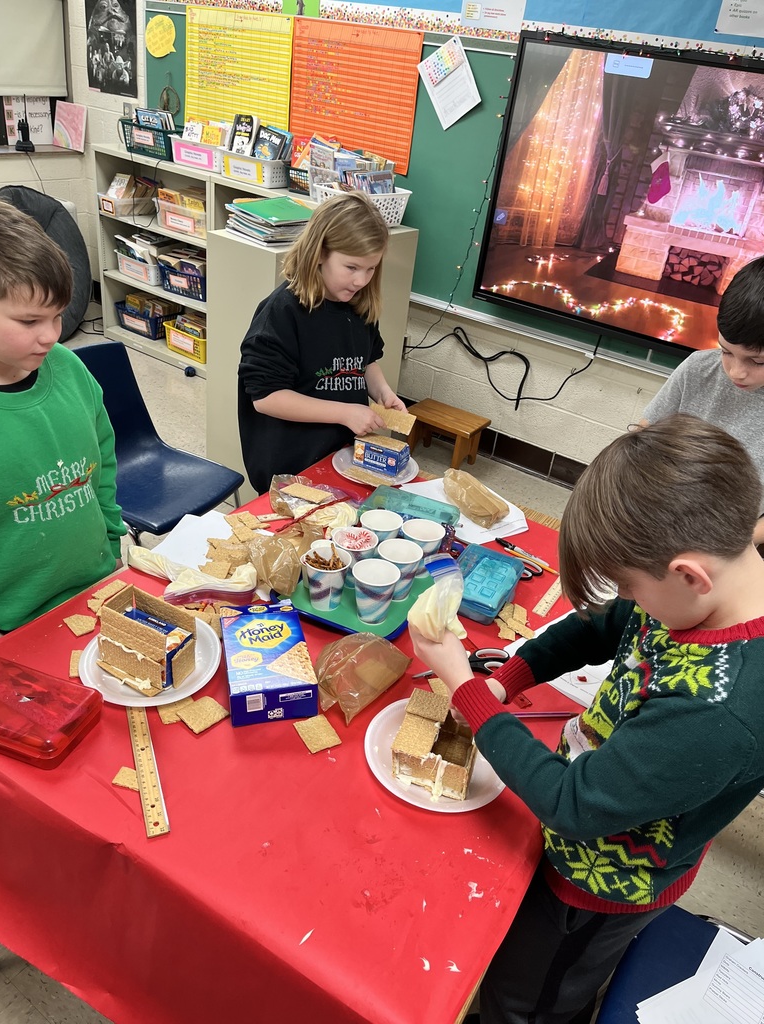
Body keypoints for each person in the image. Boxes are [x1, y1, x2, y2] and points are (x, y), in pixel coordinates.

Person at [409, 414, 764, 1024]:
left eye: (631, 583)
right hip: (599, 802)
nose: (629, 600)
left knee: (535, 996)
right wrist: (508, 678)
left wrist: (466, 688)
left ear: (687, 575)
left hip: (602, 884)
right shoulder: (701, 592)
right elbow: (608, 622)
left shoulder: (722, 711)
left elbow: (575, 802)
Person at [0, 200, 127, 632]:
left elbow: (102, 461)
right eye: (30, 320)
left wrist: (111, 536)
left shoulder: (69, 369)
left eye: (57, 315)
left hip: (99, 586)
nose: (52, 335)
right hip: (16, 626)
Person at [237, 191, 406, 495]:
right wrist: (346, 413)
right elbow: (266, 398)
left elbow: (365, 360)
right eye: (351, 268)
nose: (361, 281)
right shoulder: (282, 312)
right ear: (319, 254)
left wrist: (382, 392)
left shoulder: (359, 304)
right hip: (292, 465)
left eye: (371, 269)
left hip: (340, 455)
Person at [641, 255, 764, 542]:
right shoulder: (698, 368)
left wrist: (738, 543)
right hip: (663, 523)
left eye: (757, 361)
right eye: (726, 351)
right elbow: (644, 438)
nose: (736, 372)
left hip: (739, 545)